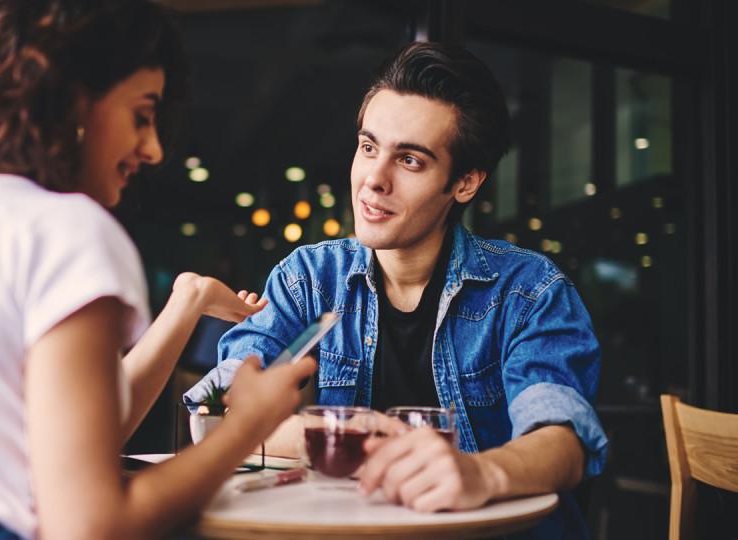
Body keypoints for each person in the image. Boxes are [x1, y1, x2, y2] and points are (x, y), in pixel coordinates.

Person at [0, 1, 316, 539]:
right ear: (72, 102)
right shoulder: (69, 227)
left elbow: (81, 438)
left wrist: (187, 304)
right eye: (141, 116)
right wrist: (245, 428)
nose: (153, 149)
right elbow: (91, 526)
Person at [186, 42, 607, 538]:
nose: (373, 180)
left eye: (409, 160)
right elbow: (217, 410)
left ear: (466, 182)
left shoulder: (529, 291)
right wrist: (353, 440)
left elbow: (562, 441)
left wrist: (482, 472)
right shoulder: (310, 278)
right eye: (368, 147)